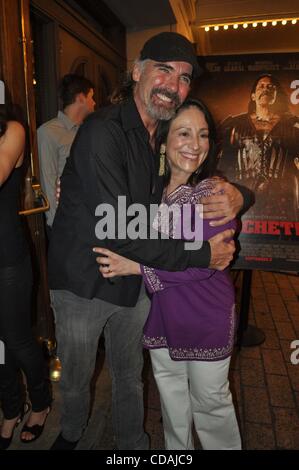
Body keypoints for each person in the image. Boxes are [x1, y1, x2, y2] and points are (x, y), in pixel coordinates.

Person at [48, 32, 251, 450]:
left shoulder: (158, 137)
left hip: (135, 277)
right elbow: (121, 227)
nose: (173, 84)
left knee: (129, 374)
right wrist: (202, 253)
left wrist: (242, 194)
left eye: (183, 77)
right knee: (77, 376)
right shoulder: (104, 131)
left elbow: (179, 185)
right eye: (163, 70)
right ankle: (70, 435)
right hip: (85, 281)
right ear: (137, 71)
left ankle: (133, 444)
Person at [94, 98, 242, 450]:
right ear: (162, 142)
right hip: (161, 319)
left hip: (206, 316)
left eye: (203, 135)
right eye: (184, 133)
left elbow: (205, 264)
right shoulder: (147, 195)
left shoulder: (213, 193)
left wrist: (136, 267)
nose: (196, 144)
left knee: (211, 406)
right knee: (173, 406)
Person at [0, 84, 51, 450]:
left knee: (17, 341)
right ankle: (11, 408)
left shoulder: (12, 129)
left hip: (8, 261)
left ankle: (42, 402)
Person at [219, 73, 299, 220]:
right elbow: (221, 162)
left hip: (283, 196)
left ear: (276, 96)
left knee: (285, 239)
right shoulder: (233, 125)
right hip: (242, 193)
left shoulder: (293, 125)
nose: (265, 89)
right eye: (261, 86)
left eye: (270, 87)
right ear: (253, 96)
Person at [37, 74, 95, 235]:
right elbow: (47, 179)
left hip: (90, 217)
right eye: (92, 96)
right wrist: (56, 223)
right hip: (65, 220)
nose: (94, 102)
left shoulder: (90, 130)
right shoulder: (48, 132)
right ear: (81, 98)